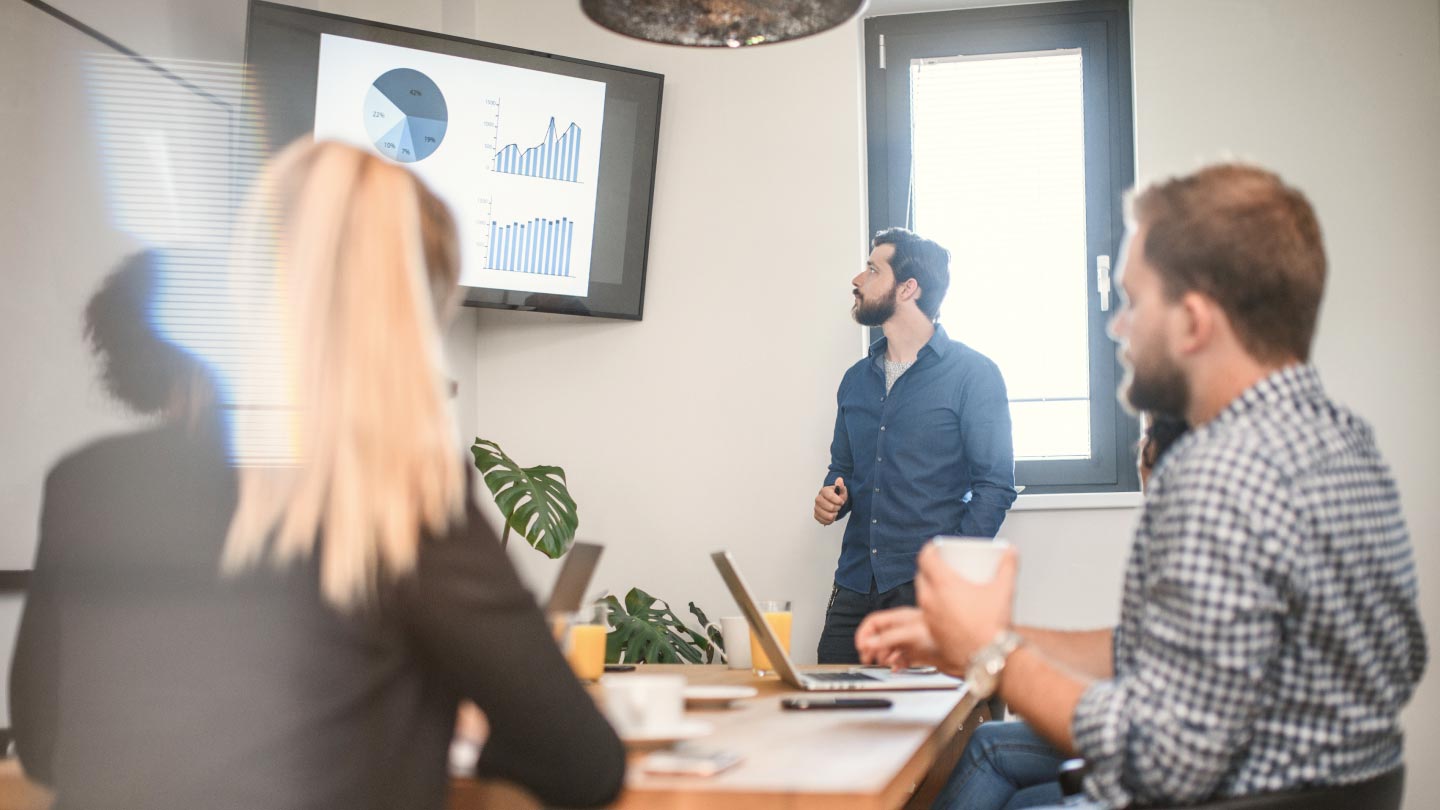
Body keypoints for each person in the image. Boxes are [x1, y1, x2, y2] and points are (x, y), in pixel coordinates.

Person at [10, 140, 626, 810]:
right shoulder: (397, 495)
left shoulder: (88, 482)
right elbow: (580, 764)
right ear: (412, 314)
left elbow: (44, 743)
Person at [855, 164, 1427, 809]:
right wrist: (973, 640)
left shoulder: (1220, 471)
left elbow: (1161, 759)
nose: (1118, 328)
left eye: (1133, 301)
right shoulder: (1341, 441)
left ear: (1193, 321)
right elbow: (1164, 650)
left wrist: (993, 654)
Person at [813, 227, 1016, 664]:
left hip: (925, 592)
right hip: (853, 586)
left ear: (908, 288)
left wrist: (946, 573)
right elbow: (841, 468)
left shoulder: (974, 375)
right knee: (828, 715)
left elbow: (995, 487)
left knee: (922, 726)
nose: (857, 279)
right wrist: (831, 497)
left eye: (871, 269)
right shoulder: (854, 380)